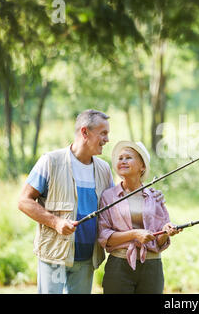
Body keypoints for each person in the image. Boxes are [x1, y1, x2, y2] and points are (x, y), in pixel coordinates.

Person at [17, 109, 164, 294]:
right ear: (85, 132)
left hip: (87, 259)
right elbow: (24, 201)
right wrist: (56, 222)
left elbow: (120, 200)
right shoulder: (50, 162)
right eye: (103, 133)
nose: (107, 139)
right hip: (55, 256)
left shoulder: (103, 169)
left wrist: (151, 195)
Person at [98, 140, 181, 294]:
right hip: (119, 266)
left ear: (142, 166)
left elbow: (159, 239)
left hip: (152, 266)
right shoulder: (108, 196)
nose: (122, 161)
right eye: (120, 158)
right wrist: (135, 234)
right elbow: (104, 236)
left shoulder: (155, 197)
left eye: (128, 157)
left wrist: (166, 231)